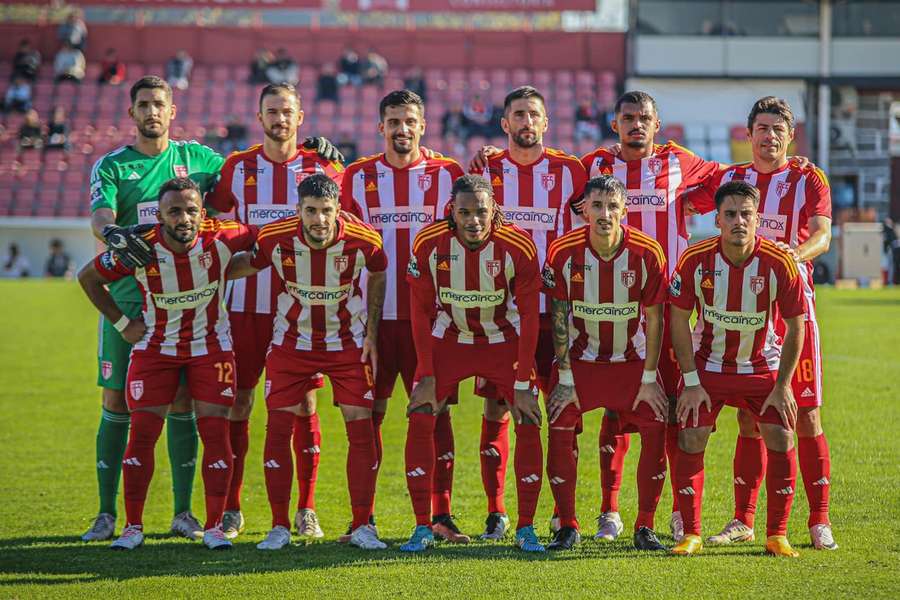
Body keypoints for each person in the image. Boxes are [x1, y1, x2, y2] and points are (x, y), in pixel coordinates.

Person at [683, 96, 837, 550]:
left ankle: (819, 520)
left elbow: (823, 235)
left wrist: (793, 256)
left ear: (790, 136)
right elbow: (678, 197)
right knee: (750, 421)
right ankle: (743, 521)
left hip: (789, 308)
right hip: (736, 306)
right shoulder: (730, 178)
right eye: (762, 128)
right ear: (747, 135)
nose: (769, 136)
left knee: (803, 414)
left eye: (778, 129)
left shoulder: (807, 177)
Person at [78, 177, 257, 551]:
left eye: (191, 210)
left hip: (210, 349)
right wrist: (124, 324)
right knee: (142, 435)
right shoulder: (139, 248)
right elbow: (89, 278)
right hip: (155, 350)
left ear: (202, 213)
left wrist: (246, 264)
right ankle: (133, 527)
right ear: (159, 216)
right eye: (174, 211)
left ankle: (212, 527)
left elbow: (265, 238)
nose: (184, 218)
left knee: (215, 434)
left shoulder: (222, 236)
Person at [83, 76, 226, 543]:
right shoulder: (112, 166)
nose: (151, 112)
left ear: (172, 110)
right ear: (132, 113)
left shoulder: (199, 159)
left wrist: (315, 159)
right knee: (116, 402)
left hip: (183, 308)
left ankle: (183, 513)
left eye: (158, 104)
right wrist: (113, 235)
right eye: (143, 104)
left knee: (182, 403)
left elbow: (249, 174)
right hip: (129, 305)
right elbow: (101, 215)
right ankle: (107, 513)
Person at [577, 91, 724, 542]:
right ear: (614, 124)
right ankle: (609, 510)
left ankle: (679, 512)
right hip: (610, 305)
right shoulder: (594, 165)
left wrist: (693, 203)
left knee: (674, 409)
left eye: (644, 118)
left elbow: (724, 181)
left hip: (670, 305)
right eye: (628, 118)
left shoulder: (678, 160)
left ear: (657, 123)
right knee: (615, 409)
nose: (636, 124)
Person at [205, 83, 344, 540]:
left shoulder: (321, 165)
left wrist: (337, 159)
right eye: (271, 111)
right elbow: (213, 215)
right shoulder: (237, 167)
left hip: (301, 307)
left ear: (301, 116)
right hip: (244, 306)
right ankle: (231, 507)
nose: (279, 118)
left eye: (287, 111)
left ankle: (305, 508)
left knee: (304, 403)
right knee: (240, 402)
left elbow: (345, 209)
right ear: (259, 116)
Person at [226, 174, 389, 551]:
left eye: (326, 211)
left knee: (360, 430)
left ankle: (363, 524)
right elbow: (247, 264)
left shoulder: (365, 239)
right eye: (310, 211)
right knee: (278, 429)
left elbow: (379, 271)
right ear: (298, 209)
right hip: (290, 344)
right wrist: (200, 270)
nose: (318, 220)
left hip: (347, 345)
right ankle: (280, 525)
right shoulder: (274, 237)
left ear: (338, 210)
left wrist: (373, 334)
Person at [340, 90, 465, 543]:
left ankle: (442, 514)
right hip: (370, 323)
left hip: (428, 323)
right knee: (366, 418)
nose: (402, 129)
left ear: (423, 124)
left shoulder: (448, 173)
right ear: (381, 127)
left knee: (437, 414)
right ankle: (362, 519)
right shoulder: (355, 178)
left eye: (410, 120)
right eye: (394, 121)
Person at [401, 174, 544, 553]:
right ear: (452, 211)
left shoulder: (518, 245)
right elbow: (419, 311)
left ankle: (526, 527)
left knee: (528, 417)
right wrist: (427, 373)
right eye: (464, 212)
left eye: (481, 211)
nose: (473, 220)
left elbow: (530, 316)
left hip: (504, 340)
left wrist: (524, 379)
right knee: (420, 412)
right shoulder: (429, 243)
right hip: (451, 338)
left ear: (493, 209)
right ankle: (421, 527)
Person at [469, 86, 587, 541]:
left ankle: (563, 515)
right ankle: (497, 513)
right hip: (502, 316)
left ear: (546, 122)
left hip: (557, 312)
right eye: (518, 114)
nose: (526, 121)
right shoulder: (487, 170)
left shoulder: (569, 170)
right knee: (497, 409)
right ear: (504, 123)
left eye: (533, 114)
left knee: (563, 411)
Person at [668, 180, 806, 558]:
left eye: (746, 214)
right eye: (730, 215)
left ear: (757, 219)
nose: (738, 221)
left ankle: (776, 534)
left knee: (781, 437)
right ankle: (691, 533)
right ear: (717, 219)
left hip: (762, 367)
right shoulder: (695, 260)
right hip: (708, 366)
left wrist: (783, 386)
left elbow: (797, 326)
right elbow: (679, 320)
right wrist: (691, 382)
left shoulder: (779, 263)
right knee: (691, 438)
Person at [543, 175, 669, 552]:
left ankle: (645, 526)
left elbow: (656, 319)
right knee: (559, 422)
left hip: (631, 361)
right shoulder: (563, 251)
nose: (604, 213)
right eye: (597, 205)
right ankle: (567, 525)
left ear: (624, 210)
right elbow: (560, 317)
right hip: (581, 361)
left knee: (656, 420)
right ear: (585, 210)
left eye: (612, 206)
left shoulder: (647, 252)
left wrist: (650, 379)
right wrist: (564, 377)